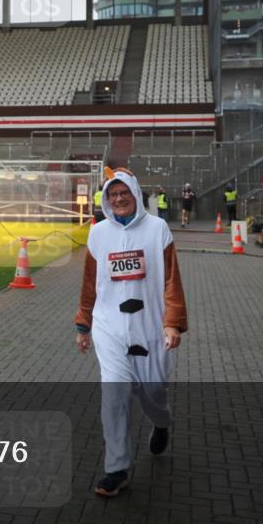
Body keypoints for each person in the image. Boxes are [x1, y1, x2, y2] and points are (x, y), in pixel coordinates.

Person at [74, 168, 188, 498]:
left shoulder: (158, 229)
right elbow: (88, 284)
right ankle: (117, 469)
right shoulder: (98, 234)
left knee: (152, 394)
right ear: (106, 199)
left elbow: (171, 281)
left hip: (150, 327)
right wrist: (84, 324)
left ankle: (162, 422)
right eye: (113, 194)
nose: (119, 198)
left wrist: (172, 322)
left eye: (124, 193)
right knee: (115, 394)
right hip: (110, 326)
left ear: (136, 194)